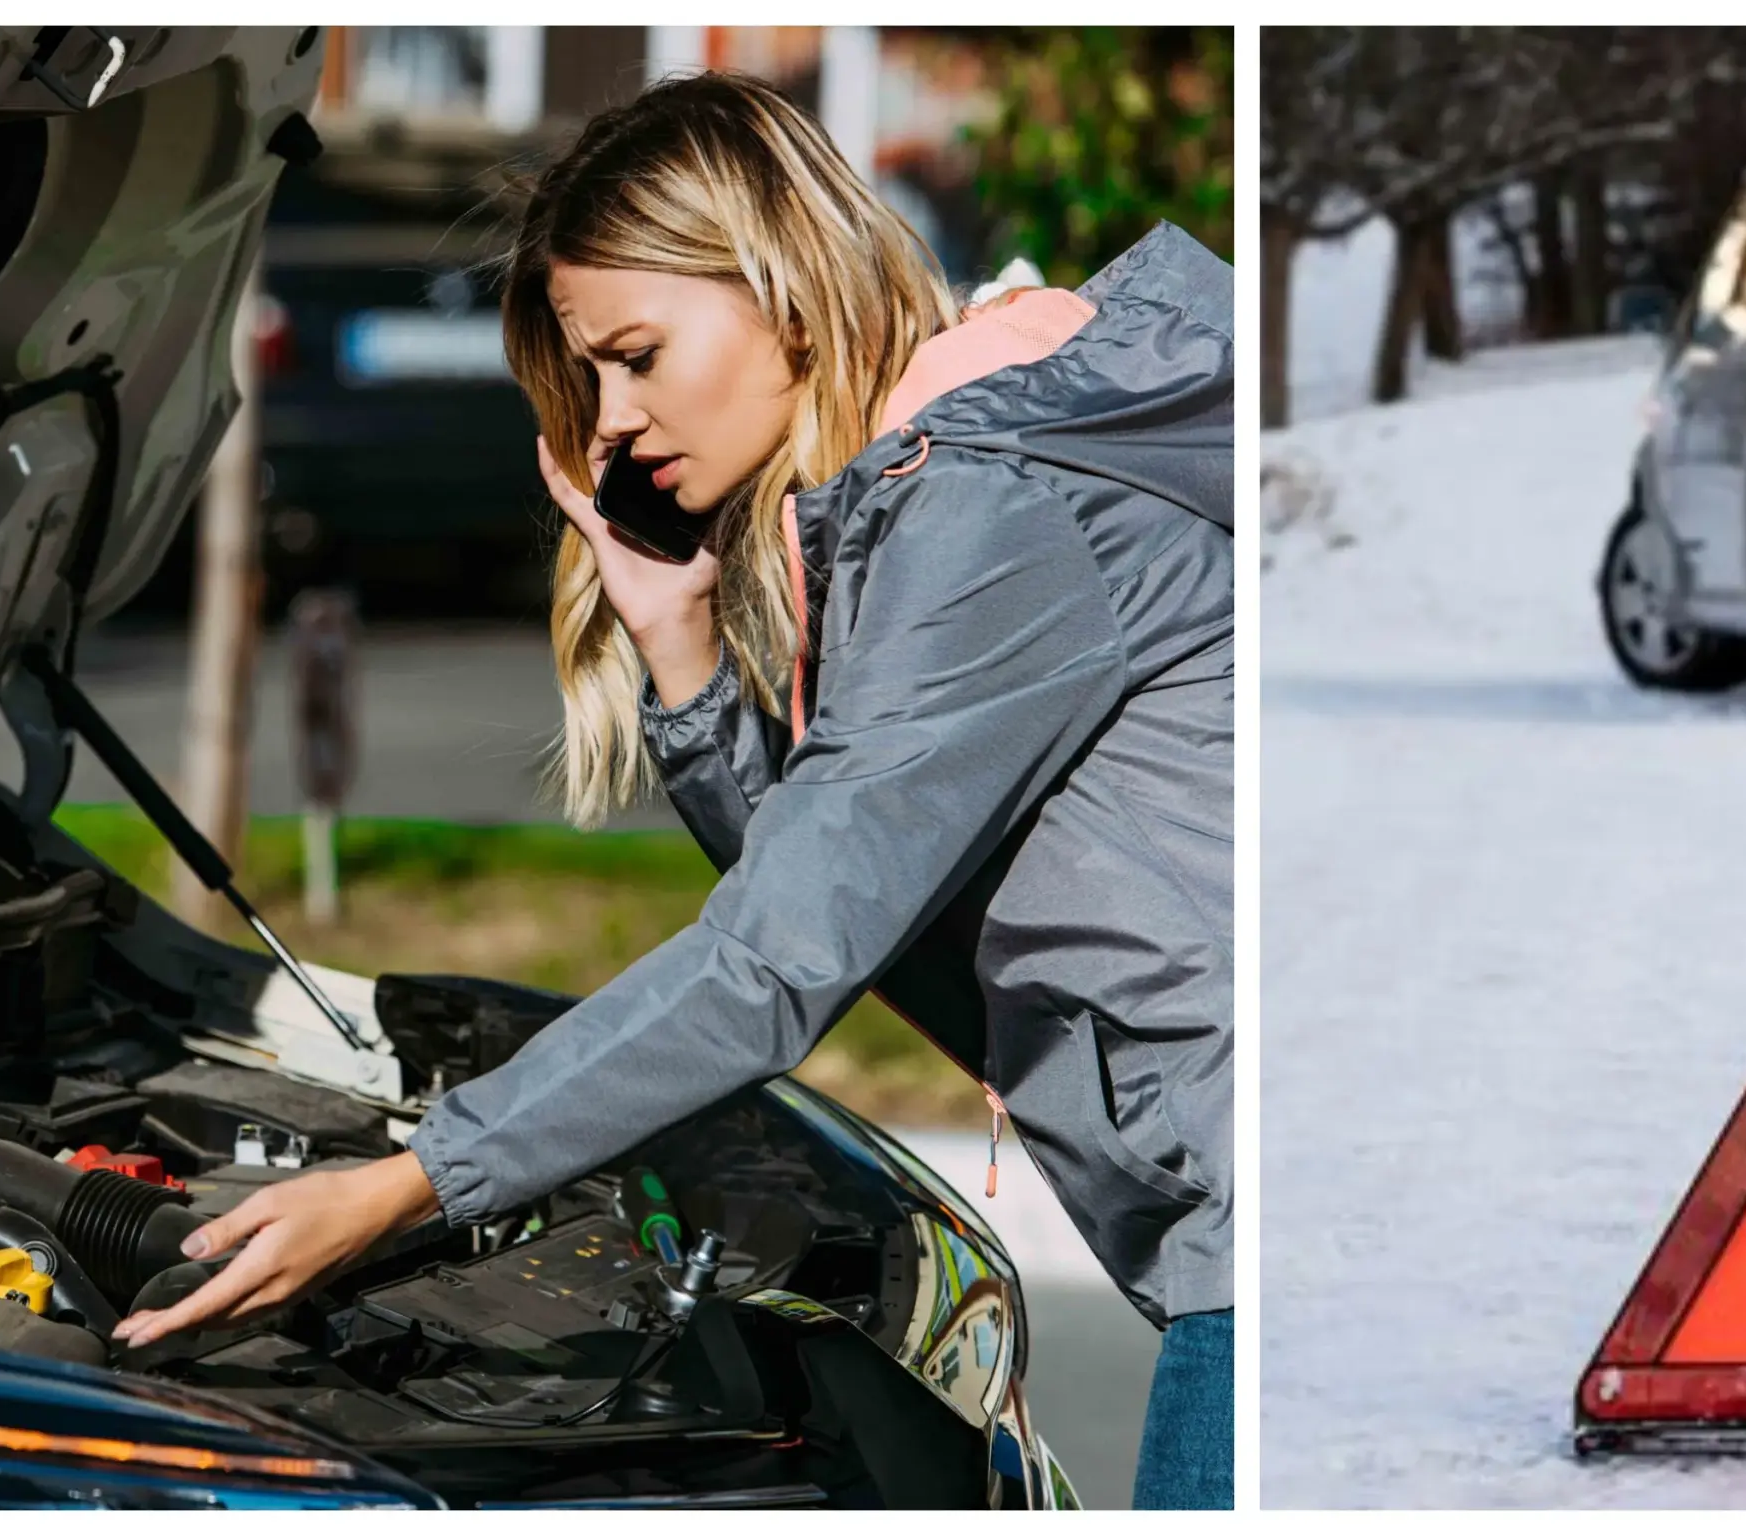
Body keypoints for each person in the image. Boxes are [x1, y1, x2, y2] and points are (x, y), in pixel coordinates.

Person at [110, 71, 1234, 1510]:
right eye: (589, 383)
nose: (612, 426)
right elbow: (842, 900)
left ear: (785, 279)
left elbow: (780, 960)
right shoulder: (959, 482)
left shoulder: (994, 507)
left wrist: (416, 1182)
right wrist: (688, 662)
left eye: (635, 354)